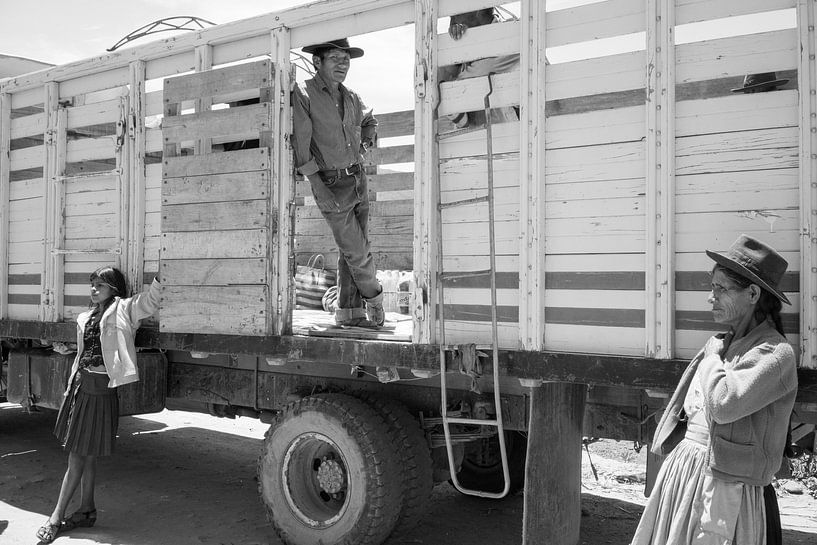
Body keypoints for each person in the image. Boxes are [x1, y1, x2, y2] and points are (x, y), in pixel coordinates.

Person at [631, 234, 797, 545]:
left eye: (720, 289)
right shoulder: (725, 344)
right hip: (687, 477)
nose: (712, 297)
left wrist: (710, 357)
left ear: (752, 293)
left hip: (728, 491)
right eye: (712, 288)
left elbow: (724, 404)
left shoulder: (774, 353)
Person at [36, 267, 161, 543]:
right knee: (87, 454)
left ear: (114, 289)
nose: (93, 289)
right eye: (91, 284)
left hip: (102, 389)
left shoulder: (125, 309)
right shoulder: (85, 316)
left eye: (100, 285)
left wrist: (161, 278)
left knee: (78, 455)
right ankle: (86, 510)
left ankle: (56, 517)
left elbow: (151, 302)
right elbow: (82, 354)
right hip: (81, 386)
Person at [291, 38, 385, 328]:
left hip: (358, 179)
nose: (343, 64)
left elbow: (370, 120)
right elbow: (301, 143)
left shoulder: (352, 97)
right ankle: (376, 301)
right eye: (335, 58)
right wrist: (317, 185)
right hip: (330, 184)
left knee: (355, 250)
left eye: (346, 59)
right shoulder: (304, 94)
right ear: (317, 62)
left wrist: (366, 142)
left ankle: (348, 312)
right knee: (358, 251)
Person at [440, 8, 521, 128]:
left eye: (456, 14)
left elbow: (485, 68)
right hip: (477, 128)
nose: (452, 22)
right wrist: (457, 45)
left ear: (477, 11)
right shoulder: (467, 42)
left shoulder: (511, 30)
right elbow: (442, 78)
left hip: (508, 125)